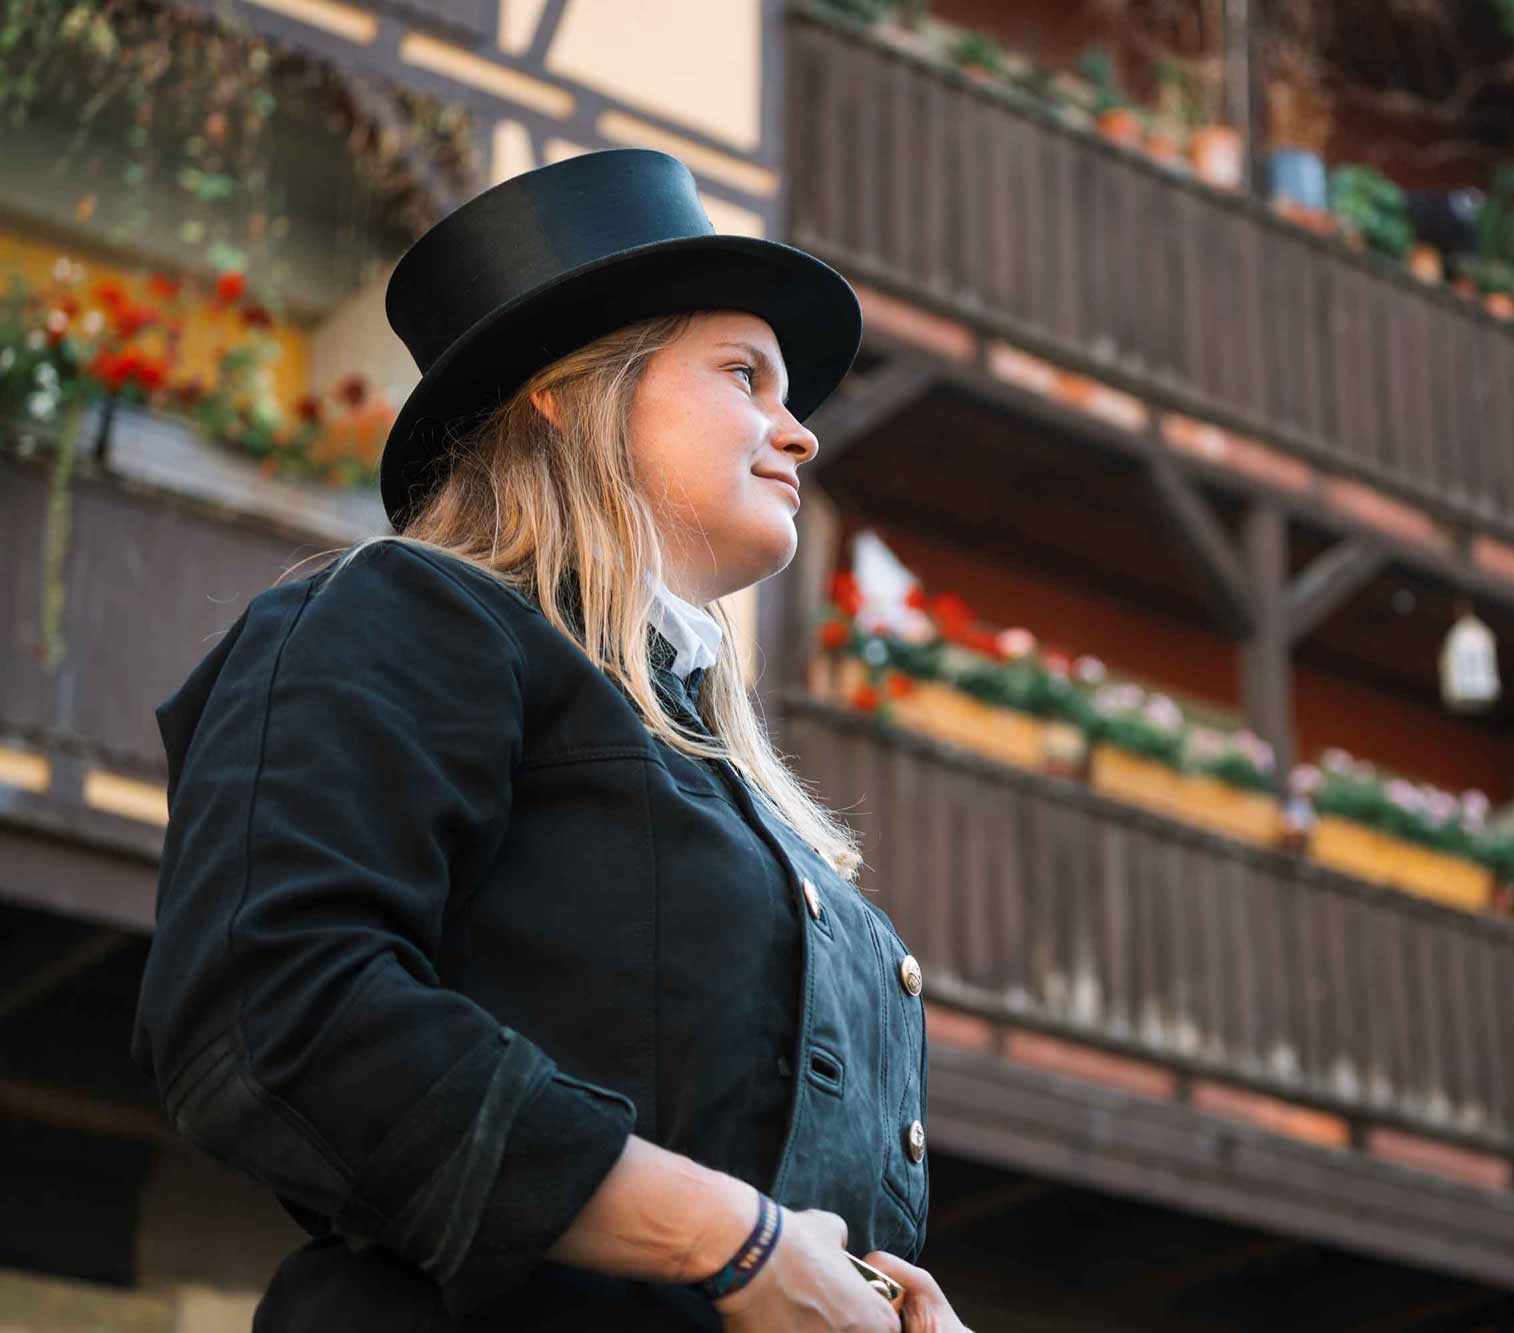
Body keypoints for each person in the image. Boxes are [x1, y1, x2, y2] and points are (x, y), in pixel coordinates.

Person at [131, 149, 968, 1332]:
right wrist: (733, 1243)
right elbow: (276, 1007)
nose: (801, 437)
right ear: (567, 390)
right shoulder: (410, 614)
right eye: (746, 375)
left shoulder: (719, 770)